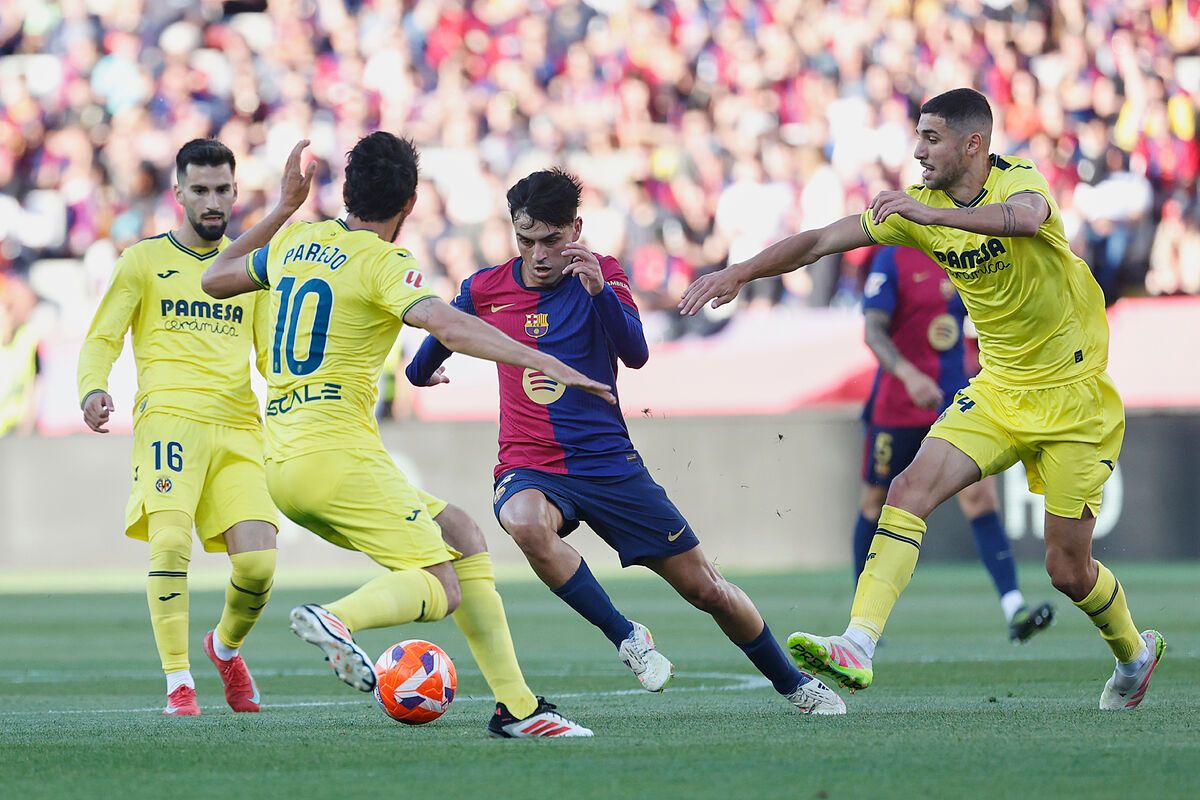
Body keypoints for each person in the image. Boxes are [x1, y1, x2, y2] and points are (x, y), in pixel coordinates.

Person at [680, 88, 1164, 710]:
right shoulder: (918, 208)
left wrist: (931, 218)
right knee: (907, 489)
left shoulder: (1018, 179)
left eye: (931, 138)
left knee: (1068, 570)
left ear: (973, 144)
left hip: (1075, 398)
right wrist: (739, 272)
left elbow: (1023, 219)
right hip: (998, 390)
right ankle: (858, 643)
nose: (918, 151)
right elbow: (821, 241)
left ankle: (1134, 654)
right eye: (918, 136)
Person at [201, 132, 612, 738]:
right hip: (337, 454)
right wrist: (542, 359)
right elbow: (447, 323)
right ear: (411, 203)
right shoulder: (383, 263)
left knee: (462, 534)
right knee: (442, 586)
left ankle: (519, 710)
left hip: (284, 464)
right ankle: (335, 619)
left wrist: (285, 206)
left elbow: (215, 277)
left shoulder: (295, 241)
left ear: (345, 191)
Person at [406, 169, 846, 717]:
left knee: (706, 589)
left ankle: (792, 683)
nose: (538, 255)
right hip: (530, 463)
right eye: (525, 240)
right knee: (522, 520)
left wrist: (598, 293)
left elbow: (635, 354)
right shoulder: (483, 288)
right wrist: (422, 373)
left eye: (551, 240)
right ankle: (626, 635)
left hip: (609, 465)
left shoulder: (605, 274)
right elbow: (432, 348)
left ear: (576, 230)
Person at [77, 139, 278, 717]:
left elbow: (272, 358)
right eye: (201, 190)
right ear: (179, 194)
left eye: (223, 190)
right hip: (168, 419)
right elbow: (103, 337)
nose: (213, 202)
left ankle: (225, 648)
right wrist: (92, 388)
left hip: (239, 424)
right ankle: (178, 682)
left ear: (235, 193)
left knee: (258, 566)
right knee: (169, 542)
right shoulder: (142, 261)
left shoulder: (251, 269)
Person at [857, 245, 1055, 643]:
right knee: (874, 503)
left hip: (952, 400)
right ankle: (860, 617)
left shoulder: (964, 251)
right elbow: (873, 331)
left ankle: (1014, 608)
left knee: (980, 497)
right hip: (897, 404)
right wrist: (909, 375)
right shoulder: (893, 257)